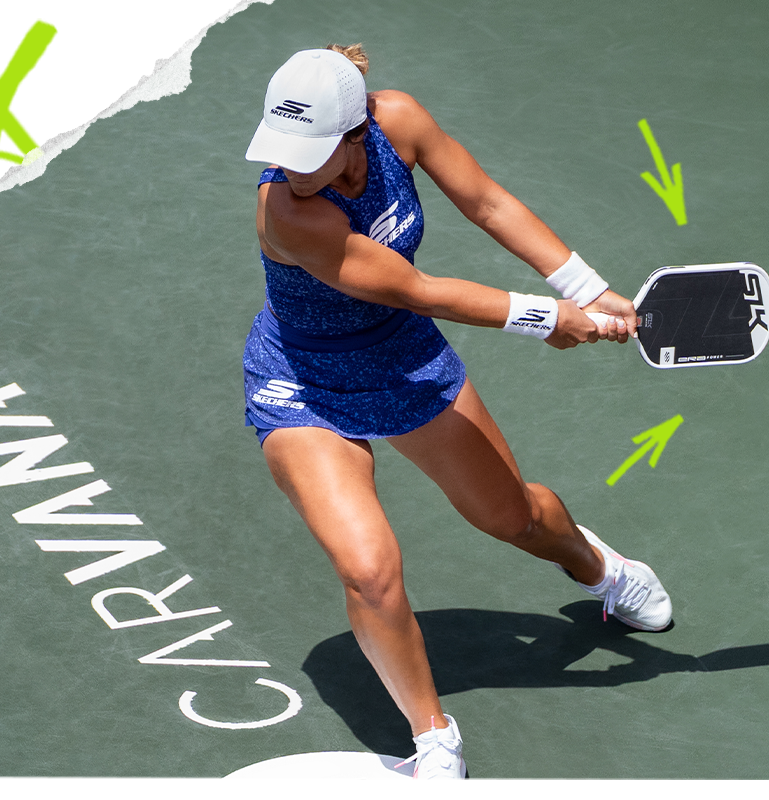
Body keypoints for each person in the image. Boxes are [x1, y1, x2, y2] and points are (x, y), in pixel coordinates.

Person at [242, 45, 672, 780]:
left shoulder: (398, 122)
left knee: (515, 519)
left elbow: (487, 202)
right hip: (302, 380)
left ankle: (598, 566)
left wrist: (587, 289)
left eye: (308, 150)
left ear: (354, 134)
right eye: (281, 150)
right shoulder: (286, 209)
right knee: (368, 570)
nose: (289, 166)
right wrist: (549, 318)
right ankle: (432, 736)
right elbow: (419, 290)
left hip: (403, 362)